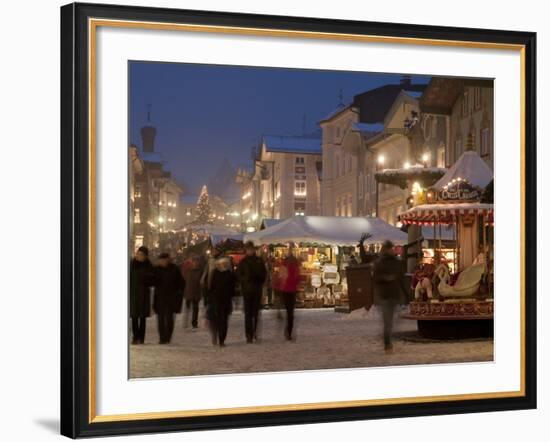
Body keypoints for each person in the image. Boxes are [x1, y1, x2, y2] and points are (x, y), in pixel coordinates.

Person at [372, 240, 408, 353]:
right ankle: (387, 343)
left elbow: (401, 278)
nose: (392, 250)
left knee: (392, 321)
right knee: (388, 322)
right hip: (385, 295)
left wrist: (405, 294)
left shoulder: (396, 262)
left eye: (392, 248)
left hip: (394, 294)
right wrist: (386, 278)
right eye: (390, 248)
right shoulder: (379, 263)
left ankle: (388, 340)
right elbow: (375, 278)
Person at [237, 241, 267, 343]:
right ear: (247, 250)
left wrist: (259, 279)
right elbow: (238, 275)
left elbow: (264, 274)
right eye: (248, 249)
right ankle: (249, 335)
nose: (250, 250)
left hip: (257, 290)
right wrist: (245, 279)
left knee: (256, 313)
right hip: (247, 290)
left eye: (251, 249)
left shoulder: (259, 261)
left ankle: (254, 333)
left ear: (253, 249)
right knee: (248, 314)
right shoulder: (243, 262)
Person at [153, 252, 185, 344]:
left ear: (168, 259)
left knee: (169, 318)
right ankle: (162, 338)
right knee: (160, 319)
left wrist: (178, 293)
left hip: (171, 298)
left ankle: (168, 337)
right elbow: (151, 280)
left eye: (164, 260)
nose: (162, 262)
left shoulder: (174, 269)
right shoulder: (156, 269)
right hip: (159, 297)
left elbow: (182, 283)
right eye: (161, 260)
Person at [129, 246, 155, 345]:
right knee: (134, 317)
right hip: (133, 294)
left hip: (144, 294)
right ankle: (135, 337)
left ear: (145, 256)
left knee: (142, 317)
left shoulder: (149, 266)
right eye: (138, 254)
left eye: (141, 255)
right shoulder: (132, 264)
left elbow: (153, 279)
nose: (139, 256)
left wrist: (147, 279)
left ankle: (141, 338)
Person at [209, 257, 236, 347]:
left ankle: (221, 339)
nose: (223, 265)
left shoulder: (230, 274)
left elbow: (233, 288)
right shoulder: (215, 273)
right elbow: (211, 287)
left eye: (225, 263)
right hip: (216, 300)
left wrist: (232, 298)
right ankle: (216, 335)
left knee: (224, 320)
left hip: (226, 301)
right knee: (216, 320)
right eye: (222, 263)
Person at [278, 246, 301, 341]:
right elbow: (297, 279)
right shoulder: (293, 268)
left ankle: (288, 332)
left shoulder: (289, 267)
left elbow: (282, 279)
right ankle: (289, 332)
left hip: (288, 290)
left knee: (290, 312)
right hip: (289, 291)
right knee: (290, 313)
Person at [183, 255, 202, 329]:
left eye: (197, 261)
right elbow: (184, 280)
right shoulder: (188, 271)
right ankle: (186, 322)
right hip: (188, 292)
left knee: (195, 308)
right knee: (187, 308)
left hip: (196, 292)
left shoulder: (200, 271)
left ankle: (194, 323)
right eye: (194, 261)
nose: (196, 263)